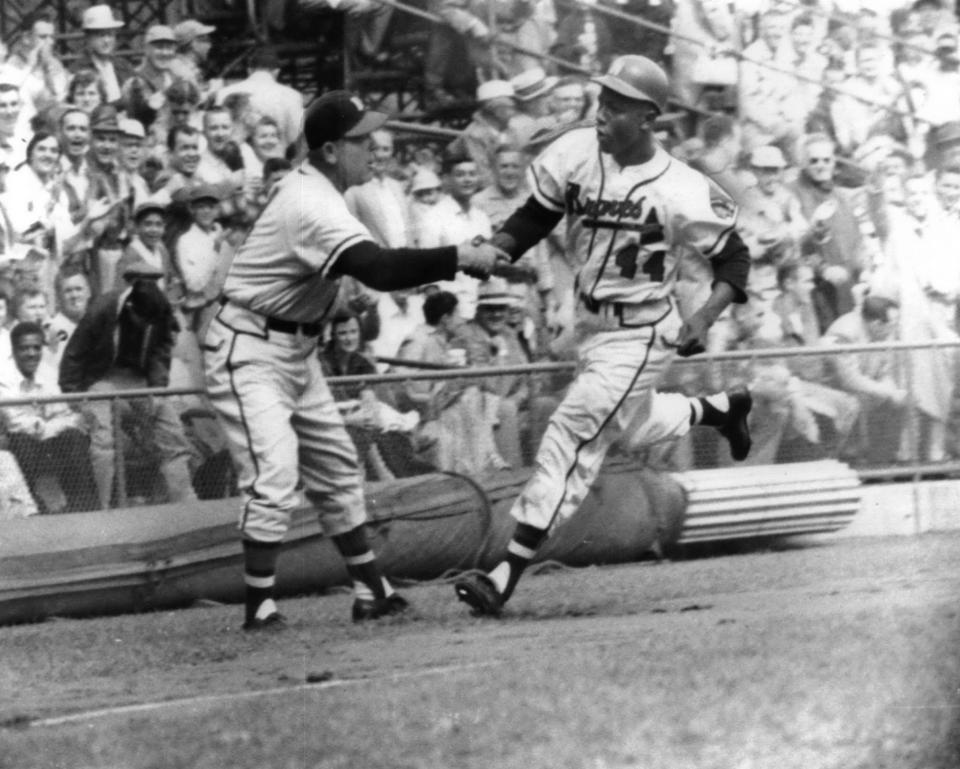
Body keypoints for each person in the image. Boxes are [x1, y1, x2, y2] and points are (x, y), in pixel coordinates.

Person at [451, 55, 754, 617]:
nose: (601, 114)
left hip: (641, 331)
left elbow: (735, 261)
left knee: (571, 433)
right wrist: (499, 247)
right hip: (588, 323)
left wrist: (704, 317)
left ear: (648, 118)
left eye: (616, 107)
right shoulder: (575, 153)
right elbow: (536, 216)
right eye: (601, 102)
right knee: (624, 424)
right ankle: (720, 409)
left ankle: (505, 573)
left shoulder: (684, 187)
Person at [201, 90, 506, 630]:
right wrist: (459, 256)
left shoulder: (326, 193)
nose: (374, 147)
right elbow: (382, 269)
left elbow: (339, 277)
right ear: (329, 150)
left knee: (339, 470)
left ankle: (370, 591)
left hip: (294, 346)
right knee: (273, 474)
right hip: (247, 348)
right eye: (361, 139)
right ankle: (260, 608)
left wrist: (341, 298)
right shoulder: (310, 202)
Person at [59, 259, 199, 509]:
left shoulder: (160, 308)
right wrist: (74, 399)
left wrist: (157, 389)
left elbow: (161, 351)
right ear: (129, 285)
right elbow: (74, 353)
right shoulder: (105, 306)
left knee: (171, 429)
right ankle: (101, 510)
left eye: (153, 282)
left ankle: (186, 503)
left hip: (138, 381)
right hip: (103, 380)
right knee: (103, 442)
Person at [0, 321, 100, 513]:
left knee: (74, 438)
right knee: (22, 441)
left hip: (45, 439)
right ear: (13, 350)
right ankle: (33, 512)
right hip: (15, 441)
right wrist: (54, 424)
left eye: (36, 348)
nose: (31, 353)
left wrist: (56, 424)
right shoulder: (3, 378)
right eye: (24, 348)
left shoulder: (47, 372)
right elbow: (16, 422)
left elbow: (62, 412)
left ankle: (84, 511)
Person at [821, 294, 908, 465]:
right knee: (869, 400)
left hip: (865, 389)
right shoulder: (845, 332)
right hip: (835, 390)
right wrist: (889, 392)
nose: (896, 327)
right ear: (876, 324)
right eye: (893, 323)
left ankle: (881, 464)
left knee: (900, 402)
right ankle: (850, 461)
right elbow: (850, 379)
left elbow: (885, 371)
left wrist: (892, 392)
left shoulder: (883, 331)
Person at [71, 5, 134, 106]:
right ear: (88, 38)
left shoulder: (124, 65)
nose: (106, 40)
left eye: (110, 34)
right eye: (101, 35)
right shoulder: (79, 69)